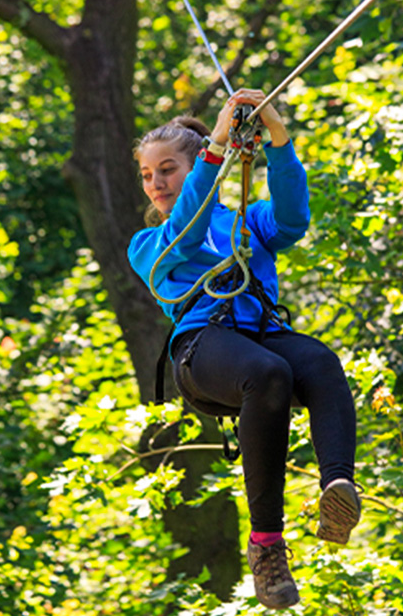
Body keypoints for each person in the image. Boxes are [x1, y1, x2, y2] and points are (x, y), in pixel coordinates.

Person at [128, 88, 360, 610]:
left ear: (198, 169)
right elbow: (187, 232)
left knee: (320, 360)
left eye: (168, 169)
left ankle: (338, 488)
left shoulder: (247, 223)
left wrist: (276, 136)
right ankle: (267, 547)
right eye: (148, 174)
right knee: (268, 372)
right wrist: (215, 145)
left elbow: (294, 217)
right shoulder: (148, 243)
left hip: (260, 335)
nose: (156, 183)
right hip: (203, 349)